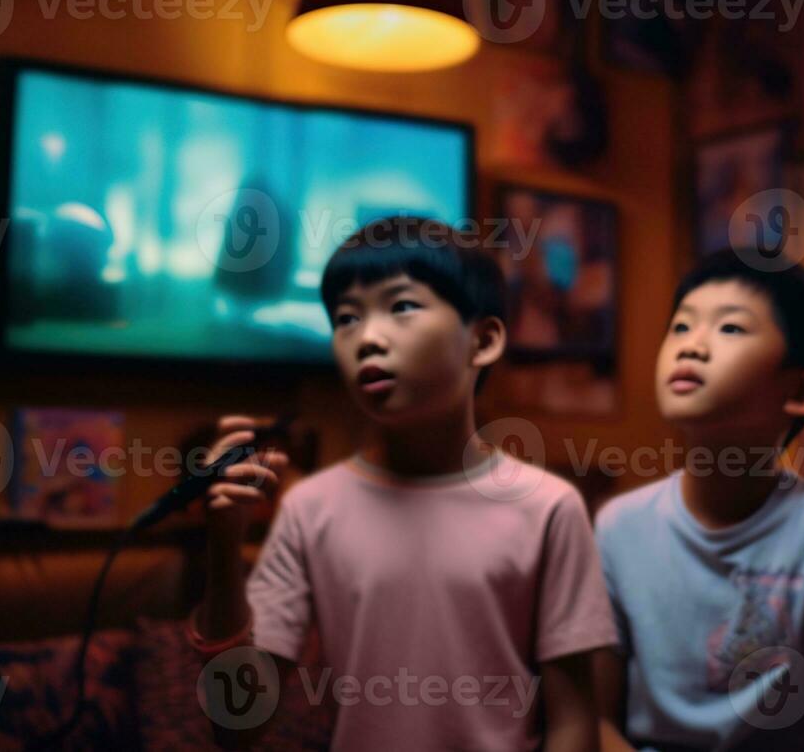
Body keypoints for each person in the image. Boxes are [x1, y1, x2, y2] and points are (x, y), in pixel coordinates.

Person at [191, 215, 616, 750]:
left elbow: (574, 722)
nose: (367, 337)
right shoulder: (308, 508)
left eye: (402, 306)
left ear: (482, 341)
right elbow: (236, 723)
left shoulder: (548, 507)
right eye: (346, 319)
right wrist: (224, 548)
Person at [594, 250, 804, 750]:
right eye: (681, 327)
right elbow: (595, 722)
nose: (692, 347)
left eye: (730, 329)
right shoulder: (617, 527)